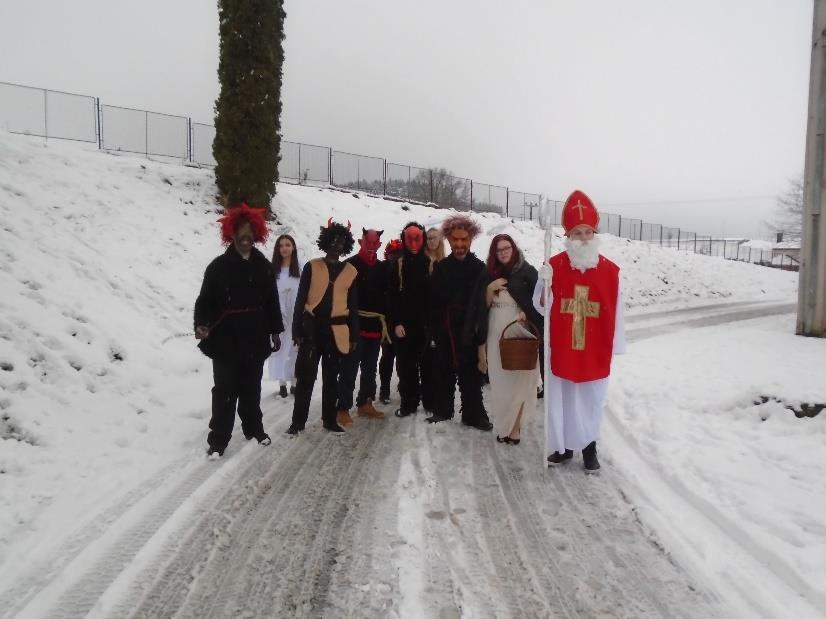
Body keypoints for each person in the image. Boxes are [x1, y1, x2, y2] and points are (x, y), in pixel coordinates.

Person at [533, 189, 625, 473]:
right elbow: (541, 308)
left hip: (593, 349)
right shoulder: (555, 266)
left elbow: (617, 310)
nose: (583, 238)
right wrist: (544, 285)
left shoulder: (610, 272)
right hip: (563, 346)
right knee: (563, 400)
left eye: (587, 232)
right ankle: (564, 448)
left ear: (594, 234)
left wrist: (615, 344)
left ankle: (589, 449)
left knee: (589, 401)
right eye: (577, 233)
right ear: (568, 236)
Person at [194, 203, 284, 457]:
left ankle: (253, 428)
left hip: (255, 336)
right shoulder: (217, 267)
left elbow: (271, 301)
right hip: (225, 339)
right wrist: (201, 323)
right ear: (231, 234)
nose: (245, 238)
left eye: (250, 233)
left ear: (256, 234)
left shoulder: (263, 266)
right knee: (224, 390)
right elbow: (205, 300)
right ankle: (218, 439)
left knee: (251, 387)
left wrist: (275, 330)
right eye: (240, 233)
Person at [287, 220, 359, 434]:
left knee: (331, 379)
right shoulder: (312, 266)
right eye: (334, 240)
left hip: (337, 331)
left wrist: (354, 334)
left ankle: (329, 419)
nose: (337, 244)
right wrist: (296, 330)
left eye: (342, 241)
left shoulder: (351, 272)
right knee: (306, 378)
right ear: (326, 241)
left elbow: (353, 306)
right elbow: (300, 301)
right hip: (312, 330)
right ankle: (297, 422)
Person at [473, 234, 542, 444]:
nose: (503, 252)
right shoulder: (487, 274)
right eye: (499, 249)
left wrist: (526, 315)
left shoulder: (527, 271)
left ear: (514, 249)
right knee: (501, 383)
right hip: (495, 331)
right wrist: (489, 289)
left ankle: (515, 428)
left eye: (507, 248)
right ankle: (504, 426)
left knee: (520, 382)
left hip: (519, 331)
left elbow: (539, 303)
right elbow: (479, 308)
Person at [426, 214, 493, 431]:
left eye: (464, 239)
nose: (459, 244)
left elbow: (484, 302)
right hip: (446, 328)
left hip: (469, 328)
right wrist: (435, 330)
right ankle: (443, 409)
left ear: (470, 239)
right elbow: (434, 302)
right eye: (455, 239)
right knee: (443, 370)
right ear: (449, 239)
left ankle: (473, 414)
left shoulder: (479, 268)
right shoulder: (441, 267)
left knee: (471, 373)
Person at [336, 228, 388, 423]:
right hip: (353, 326)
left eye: (376, 244)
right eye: (369, 243)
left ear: (380, 245)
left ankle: (365, 402)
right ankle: (342, 408)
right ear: (361, 242)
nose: (372, 248)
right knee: (349, 367)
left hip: (374, 326)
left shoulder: (383, 269)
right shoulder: (349, 265)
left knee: (370, 368)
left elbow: (386, 297)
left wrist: (386, 324)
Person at [387, 222, 431, 418]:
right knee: (406, 367)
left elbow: (435, 297)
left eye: (417, 238)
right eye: (409, 238)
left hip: (425, 324)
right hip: (403, 326)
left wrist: (432, 324)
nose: (413, 243)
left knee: (428, 365)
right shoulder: (398, 263)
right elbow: (392, 296)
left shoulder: (430, 263)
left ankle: (430, 401)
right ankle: (409, 403)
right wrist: (396, 322)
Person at [268, 234, 301, 398]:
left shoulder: (300, 269)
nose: (284, 248)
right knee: (280, 348)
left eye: (288, 245)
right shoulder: (273, 270)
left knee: (295, 348)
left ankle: (294, 381)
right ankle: (281, 382)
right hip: (279, 313)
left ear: (293, 247)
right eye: (281, 246)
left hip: (296, 313)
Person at [378, 239, 402, 404]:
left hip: (403, 319)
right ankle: (384, 388)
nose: (396, 257)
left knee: (403, 356)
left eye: (399, 254)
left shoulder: (407, 269)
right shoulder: (382, 269)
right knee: (387, 355)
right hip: (386, 320)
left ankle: (404, 384)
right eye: (393, 254)